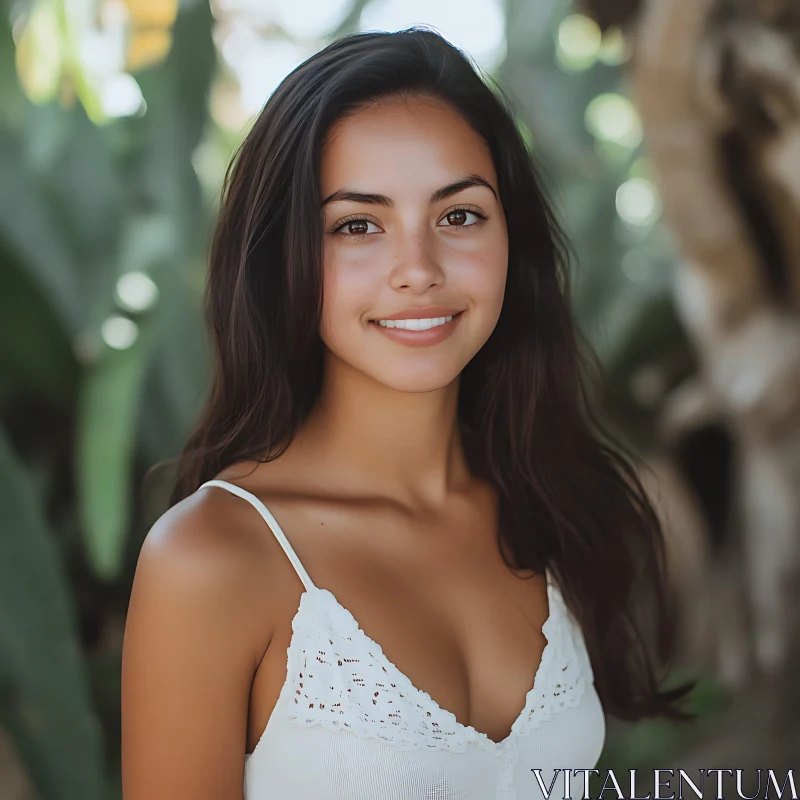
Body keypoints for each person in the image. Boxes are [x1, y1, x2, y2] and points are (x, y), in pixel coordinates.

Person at [120, 27, 695, 800]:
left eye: (459, 216)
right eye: (358, 224)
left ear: (510, 239)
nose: (418, 271)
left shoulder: (549, 507)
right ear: (284, 257)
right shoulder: (211, 561)